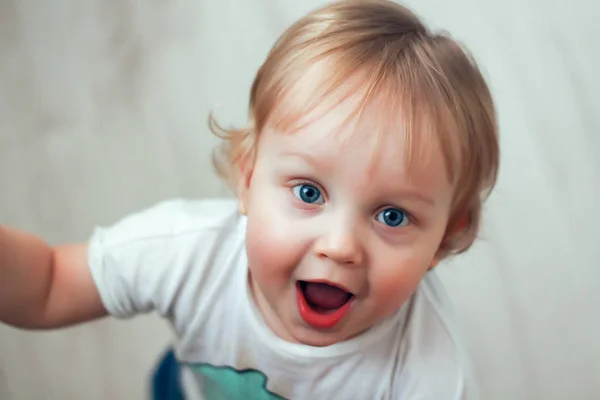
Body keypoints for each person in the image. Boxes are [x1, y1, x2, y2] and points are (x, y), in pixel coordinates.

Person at [0, 0, 499, 398]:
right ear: (248, 176)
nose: (340, 245)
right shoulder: (187, 253)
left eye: (392, 215)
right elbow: (47, 286)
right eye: (309, 192)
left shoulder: (430, 372)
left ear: (445, 238)